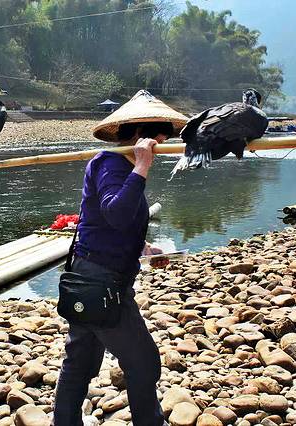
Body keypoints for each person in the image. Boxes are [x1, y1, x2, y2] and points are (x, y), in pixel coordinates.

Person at [53, 91, 188, 426]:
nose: (162, 145)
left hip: (94, 274)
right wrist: (142, 166)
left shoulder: (119, 165)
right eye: (160, 138)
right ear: (142, 134)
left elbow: (107, 223)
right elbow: (115, 212)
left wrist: (144, 248)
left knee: (79, 362)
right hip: (101, 282)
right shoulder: (111, 164)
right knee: (143, 362)